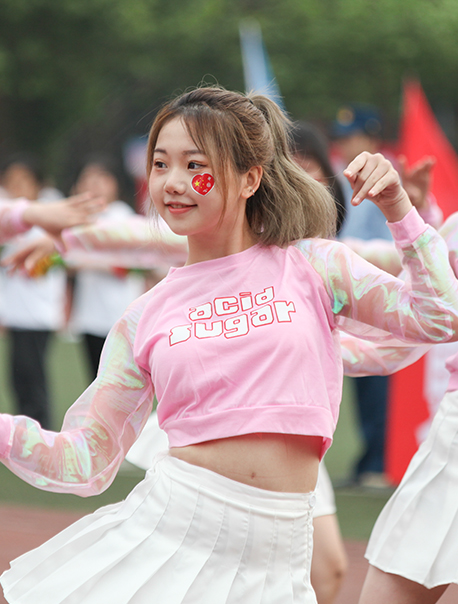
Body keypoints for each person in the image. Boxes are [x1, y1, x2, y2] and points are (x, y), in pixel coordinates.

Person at [1, 87, 458, 604]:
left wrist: (400, 209)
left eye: (194, 164)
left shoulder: (315, 266)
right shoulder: (145, 316)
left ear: (250, 178)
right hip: (168, 543)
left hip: (278, 572)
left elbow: (440, 317)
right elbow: (86, 459)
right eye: (160, 164)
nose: (173, 182)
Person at [68, 154, 146, 380]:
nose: (93, 185)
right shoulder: (78, 220)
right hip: (89, 316)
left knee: (120, 382)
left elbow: (133, 266)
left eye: (101, 179)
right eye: (87, 179)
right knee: (95, 381)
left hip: (119, 314)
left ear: (114, 184)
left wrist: (89, 262)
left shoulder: (124, 218)